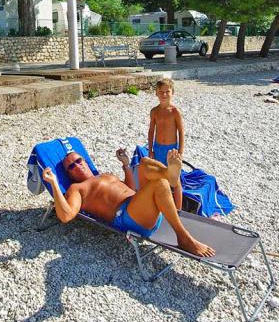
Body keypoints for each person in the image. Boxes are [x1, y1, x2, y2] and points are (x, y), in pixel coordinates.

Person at [42, 148, 215, 257]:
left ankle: (170, 175)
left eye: (79, 160)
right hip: (127, 217)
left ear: (85, 161)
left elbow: (130, 188)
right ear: (69, 174)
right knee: (159, 184)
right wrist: (55, 183)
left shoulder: (105, 175)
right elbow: (65, 216)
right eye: (71, 166)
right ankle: (183, 237)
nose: (77, 165)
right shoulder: (77, 188)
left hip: (138, 203)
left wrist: (125, 165)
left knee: (144, 163)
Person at [146, 78, 185, 208]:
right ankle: (160, 204)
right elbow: (151, 131)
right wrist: (150, 150)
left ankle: (178, 209)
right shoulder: (154, 111)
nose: (164, 94)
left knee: (175, 180)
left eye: (167, 91)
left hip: (171, 149)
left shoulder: (175, 111)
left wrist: (180, 152)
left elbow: (181, 132)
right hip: (158, 148)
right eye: (160, 92)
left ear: (172, 92)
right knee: (159, 176)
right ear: (156, 93)